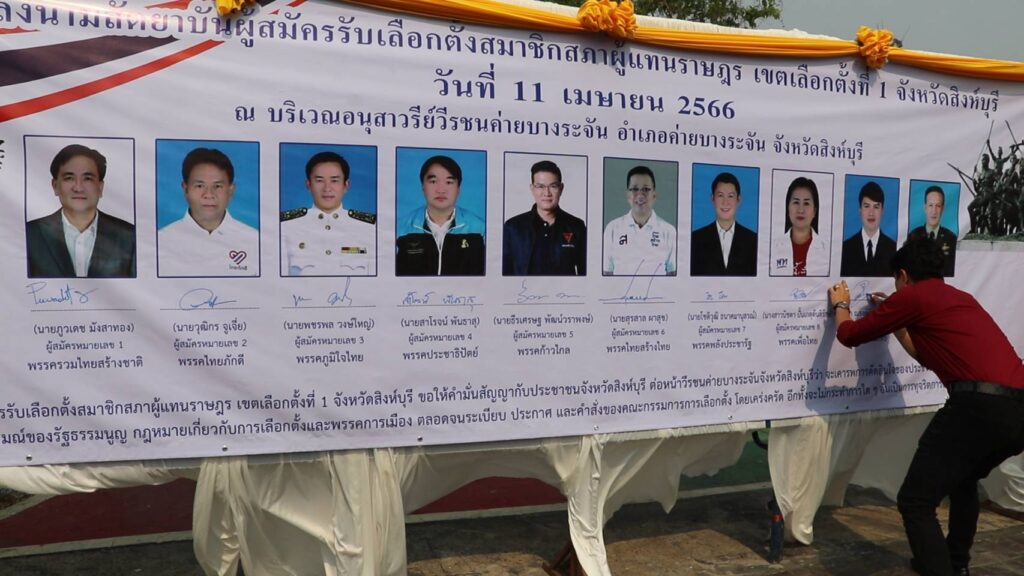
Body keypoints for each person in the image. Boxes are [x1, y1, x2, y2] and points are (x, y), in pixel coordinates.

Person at [828, 237, 1024, 576]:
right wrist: (896, 321)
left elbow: (849, 335)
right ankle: (956, 564)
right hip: (1017, 411)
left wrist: (841, 304)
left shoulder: (913, 297)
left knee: (915, 501)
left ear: (903, 275)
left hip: (976, 408)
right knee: (963, 480)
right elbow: (926, 355)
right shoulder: (960, 298)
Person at [26, 144, 135, 278]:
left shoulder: (129, 236)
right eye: (69, 178)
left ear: (100, 188)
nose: (78, 188)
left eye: (87, 179)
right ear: (55, 186)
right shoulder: (30, 233)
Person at [158, 148, 259, 276]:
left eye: (217, 186)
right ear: (185, 189)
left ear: (231, 190)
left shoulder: (255, 241)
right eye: (200, 186)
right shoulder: (161, 241)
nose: (209, 195)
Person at [281, 151, 376, 276]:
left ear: (346, 185)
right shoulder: (286, 228)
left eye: (334, 181)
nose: (327, 188)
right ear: (308, 185)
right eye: (319, 180)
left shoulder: (369, 229)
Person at [396, 155, 485, 276]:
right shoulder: (400, 229)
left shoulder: (480, 229)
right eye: (433, 181)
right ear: (423, 186)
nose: (441, 190)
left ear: (458, 188)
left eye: (449, 182)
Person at [502, 160, 586, 276]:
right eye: (540, 186)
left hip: (564, 289)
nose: (547, 193)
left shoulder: (577, 226)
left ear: (561, 188)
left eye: (553, 186)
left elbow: (586, 275)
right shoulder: (512, 227)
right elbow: (504, 275)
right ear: (532, 188)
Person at [602, 165, 676, 276]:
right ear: (628, 195)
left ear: (654, 195)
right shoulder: (612, 228)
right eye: (635, 189)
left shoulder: (668, 231)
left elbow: (673, 274)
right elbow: (606, 272)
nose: (640, 195)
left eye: (646, 189)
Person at [690, 171, 757, 276]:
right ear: (712, 198)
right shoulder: (695, 239)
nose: (725, 202)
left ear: (738, 200)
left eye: (730, 196)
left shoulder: (753, 240)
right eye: (720, 195)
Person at [770, 176, 829, 276]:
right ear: (787, 208)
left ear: (814, 211)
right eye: (796, 202)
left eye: (806, 203)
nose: (800, 210)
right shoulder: (772, 248)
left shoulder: (827, 251)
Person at [840, 181, 897, 277]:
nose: (871, 213)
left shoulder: (894, 248)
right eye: (866, 206)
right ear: (860, 210)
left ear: (882, 211)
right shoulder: (845, 248)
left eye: (876, 207)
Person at [908, 186, 956, 276]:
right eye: (930, 205)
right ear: (925, 207)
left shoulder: (951, 238)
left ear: (942, 209)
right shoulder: (913, 236)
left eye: (938, 206)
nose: (934, 211)